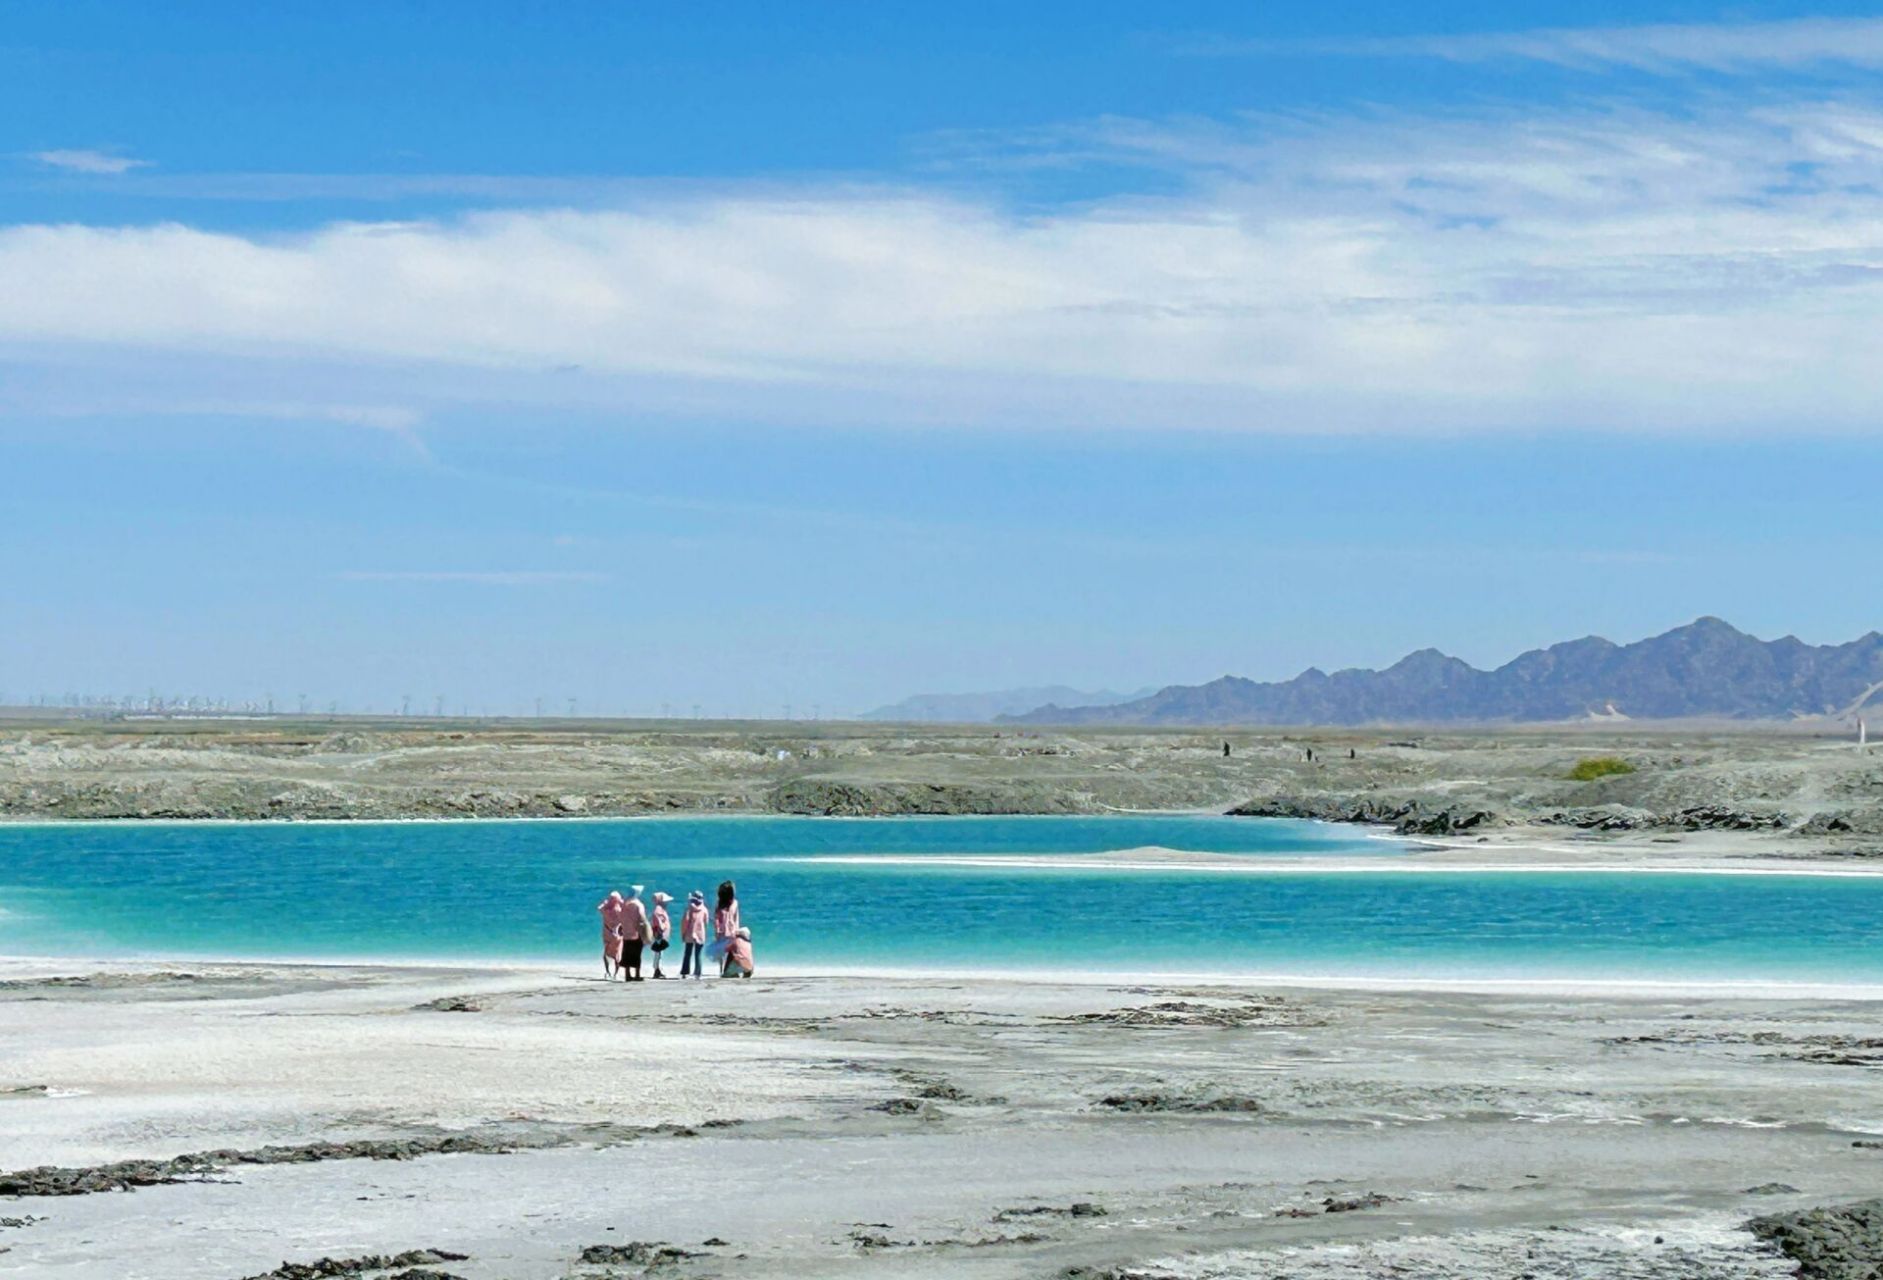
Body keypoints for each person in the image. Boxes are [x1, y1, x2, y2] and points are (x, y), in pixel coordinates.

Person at [619, 885, 651, 982]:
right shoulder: (638, 904)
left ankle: (627, 974)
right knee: (637, 953)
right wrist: (646, 930)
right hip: (636, 932)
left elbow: (622, 917)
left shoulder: (625, 903)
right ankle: (637, 974)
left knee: (626, 953)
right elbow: (642, 918)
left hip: (626, 932)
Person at [709, 880, 741, 972]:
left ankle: (729, 969)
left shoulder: (735, 903)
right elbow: (716, 918)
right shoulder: (719, 904)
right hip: (722, 931)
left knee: (731, 951)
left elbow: (736, 917)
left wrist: (737, 930)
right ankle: (722, 969)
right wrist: (717, 929)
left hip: (732, 931)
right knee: (721, 952)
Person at [596, 890, 626, 980]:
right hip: (617, 934)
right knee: (617, 953)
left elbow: (599, 908)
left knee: (606, 953)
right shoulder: (619, 910)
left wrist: (605, 903)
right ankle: (616, 973)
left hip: (607, 933)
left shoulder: (605, 910)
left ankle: (607, 972)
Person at [679, 890, 709, 979]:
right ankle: (698, 973)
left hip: (689, 934)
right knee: (698, 954)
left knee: (687, 953)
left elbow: (685, 922)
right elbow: (706, 922)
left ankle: (685, 972)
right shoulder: (704, 910)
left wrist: (683, 933)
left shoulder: (689, 909)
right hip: (700, 934)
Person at [648, 892, 673, 979]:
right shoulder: (658, 910)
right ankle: (657, 970)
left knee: (659, 953)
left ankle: (658, 970)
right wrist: (662, 928)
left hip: (660, 934)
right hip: (659, 934)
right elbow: (658, 923)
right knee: (659, 953)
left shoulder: (660, 909)